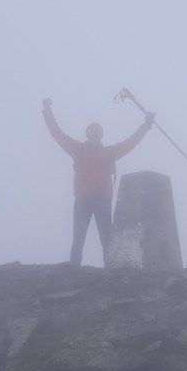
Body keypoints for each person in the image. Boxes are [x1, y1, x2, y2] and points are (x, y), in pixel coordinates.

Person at [41, 98, 154, 266]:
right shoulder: (78, 149)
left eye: (97, 131)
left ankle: (108, 270)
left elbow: (131, 142)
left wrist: (146, 125)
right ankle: (74, 268)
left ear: (101, 135)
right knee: (79, 237)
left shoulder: (109, 153)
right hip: (84, 198)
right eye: (92, 131)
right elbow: (57, 133)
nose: (94, 133)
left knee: (106, 238)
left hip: (101, 200)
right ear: (87, 135)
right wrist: (47, 110)